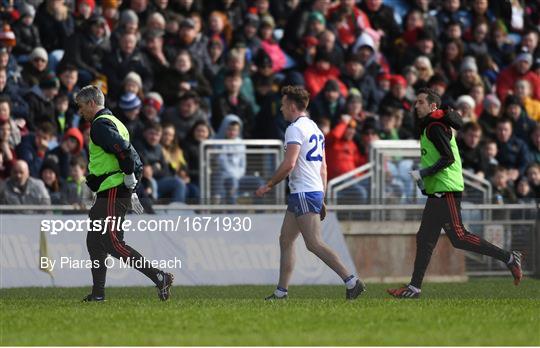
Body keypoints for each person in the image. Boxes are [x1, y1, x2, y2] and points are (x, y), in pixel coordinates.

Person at [387, 88, 523, 299]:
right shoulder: (428, 127)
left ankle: (509, 258)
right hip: (438, 190)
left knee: (459, 236)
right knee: (425, 238)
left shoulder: (434, 127)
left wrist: (423, 173)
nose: (416, 106)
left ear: (433, 106)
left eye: (420, 102)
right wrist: (425, 180)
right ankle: (413, 288)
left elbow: (447, 158)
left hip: (447, 190)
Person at [255, 85, 365, 300]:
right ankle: (281, 292)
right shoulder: (314, 127)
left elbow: (289, 164)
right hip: (309, 191)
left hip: (304, 192)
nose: (281, 109)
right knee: (285, 239)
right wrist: (322, 195)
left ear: (293, 106)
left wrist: (269, 184)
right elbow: (323, 167)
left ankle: (352, 280)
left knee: (313, 243)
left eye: (284, 105)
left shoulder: (294, 129)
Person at [74, 85, 173, 302]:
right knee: (94, 241)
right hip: (109, 188)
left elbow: (124, 151)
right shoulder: (115, 121)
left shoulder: (100, 125)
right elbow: (128, 152)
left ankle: (160, 277)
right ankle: (98, 294)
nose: (80, 112)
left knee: (112, 242)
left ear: (92, 103)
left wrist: (129, 177)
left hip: (113, 189)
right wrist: (131, 185)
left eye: (81, 107)